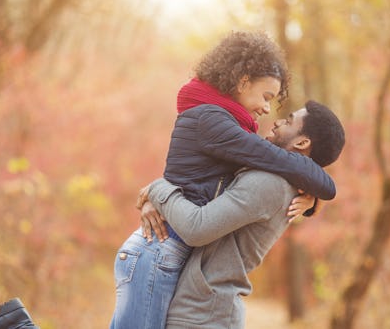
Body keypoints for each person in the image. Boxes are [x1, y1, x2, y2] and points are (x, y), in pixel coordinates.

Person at [110, 31, 336, 329]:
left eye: (286, 116)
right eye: (266, 97)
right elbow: (272, 160)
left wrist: (313, 196)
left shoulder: (227, 126)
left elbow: (264, 171)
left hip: (165, 254)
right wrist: (158, 190)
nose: (270, 111)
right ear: (243, 81)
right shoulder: (214, 122)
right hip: (157, 251)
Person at [142, 100, 345, 328]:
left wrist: (157, 189)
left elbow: (196, 228)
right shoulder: (276, 177)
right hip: (202, 309)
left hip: (205, 314)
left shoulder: (270, 183)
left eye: (288, 121)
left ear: (302, 142)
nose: (277, 122)